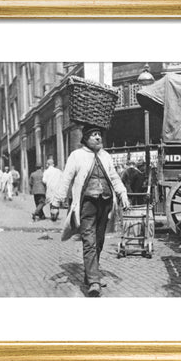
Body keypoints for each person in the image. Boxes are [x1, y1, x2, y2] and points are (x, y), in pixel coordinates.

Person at [52, 124, 130, 297]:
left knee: (100, 240)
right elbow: (66, 179)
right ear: (85, 139)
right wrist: (56, 202)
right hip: (87, 204)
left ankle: (90, 274)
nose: (98, 137)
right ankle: (94, 281)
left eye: (99, 134)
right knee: (89, 241)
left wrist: (122, 193)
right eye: (93, 135)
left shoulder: (106, 156)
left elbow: (114, 177)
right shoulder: (76, 156)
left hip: (106, 204)